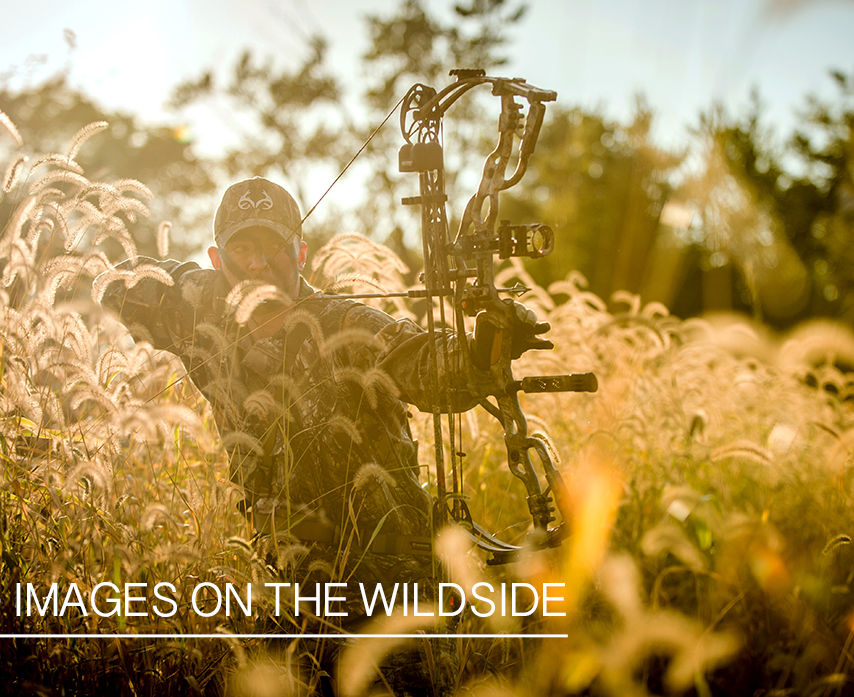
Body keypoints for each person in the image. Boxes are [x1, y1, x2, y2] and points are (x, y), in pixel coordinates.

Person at [100, 176, 549, 690]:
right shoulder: (201, 317)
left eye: (273, 247)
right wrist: (194, 284)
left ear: (301, 253)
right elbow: (115, 286)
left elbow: (435, 370)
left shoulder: (346, 325)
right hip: (283, 581)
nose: (258, 263)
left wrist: (487, 344)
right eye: (241, 249)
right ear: (217, 258)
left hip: (385, 584)